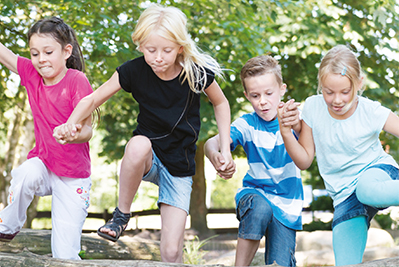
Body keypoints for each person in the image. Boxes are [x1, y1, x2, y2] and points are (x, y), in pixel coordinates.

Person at [53, 4, 233, 263]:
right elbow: (92, 100)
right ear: (140, 45)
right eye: (151, 50)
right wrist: (70, 123)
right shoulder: (133, 71)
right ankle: (120, 217)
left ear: (180, 48)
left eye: (167, 50)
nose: (158, 57)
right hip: (147, 155)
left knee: (171, 252)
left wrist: (225, 149)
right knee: (137, 144)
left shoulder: (195, 72)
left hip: (179, 166)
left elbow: (221, 103)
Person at [278, 44, 399, 266]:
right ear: (320, 87)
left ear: (358, 84)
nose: (337, 100)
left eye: (345, 92)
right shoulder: (313, 108)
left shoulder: (369, 110)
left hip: (377, 173)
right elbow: (304, 160)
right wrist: (286, 131)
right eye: (329, 92)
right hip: (344, 195)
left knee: (367, 190)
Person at [0, 17, 94, 260]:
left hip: (73, 176)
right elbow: (5, 55)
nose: (41, 59)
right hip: (43, 165)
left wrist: (73, 134)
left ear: (66, 51)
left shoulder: (77, 81)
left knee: (64, 255)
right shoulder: (32, 74)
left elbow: (88, 131)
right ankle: (7, 227)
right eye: (34, 53)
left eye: (48, 52)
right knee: (25, 173)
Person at [205, 55, 303, 267]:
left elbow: (309, 144)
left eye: (269, 93)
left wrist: (298, 126)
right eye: (255, 95)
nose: (263, 101)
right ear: (246, 95)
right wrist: (218, 156)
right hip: (254, 195)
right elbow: (210, 145)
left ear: (282, 89)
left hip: (287, 206)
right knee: (260, 209)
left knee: (281, 263)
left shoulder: (295, 116)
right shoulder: (246, 124)